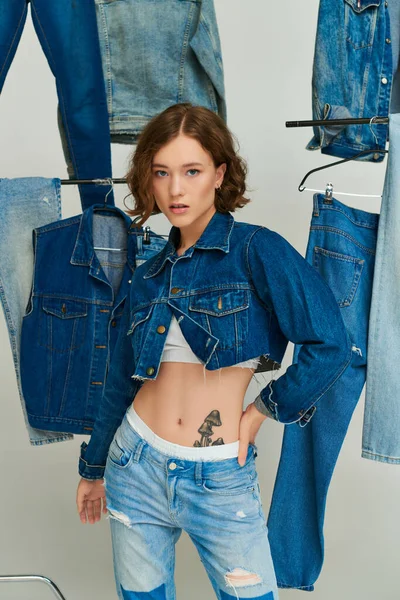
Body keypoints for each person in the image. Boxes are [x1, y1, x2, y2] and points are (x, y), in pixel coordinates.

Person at [76, 103, 351, 600]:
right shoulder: (149, 273)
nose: (175, 189)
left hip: (219, 473)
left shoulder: (255, 251)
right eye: (162, 173)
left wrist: (260, 412)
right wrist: (93, 469)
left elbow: (330, 343)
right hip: (134, 464)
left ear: (219, 174)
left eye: (192, 171)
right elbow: (120, 379)